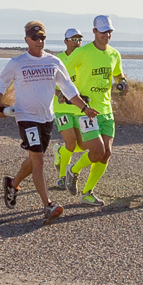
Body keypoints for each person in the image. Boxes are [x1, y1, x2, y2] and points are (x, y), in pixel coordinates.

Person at [0, 20, 96, 224]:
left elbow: (69, 89)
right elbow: (0, 83)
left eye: (43, 37)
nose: (40, 41)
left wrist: (84, 108)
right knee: (38, 160)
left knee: (33, 160)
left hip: (46, 118)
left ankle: (13, 183)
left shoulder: (54, 62)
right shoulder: (17, 62)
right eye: (35, 38)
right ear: (27, 39)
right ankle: (47, 205)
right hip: (25, 117)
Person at [61, 15, 127, 201]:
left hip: (106, 110)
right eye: (103, 31)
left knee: (106, 154)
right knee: (96, 151)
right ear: (94, 31)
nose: (107, 35)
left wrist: (123, 83)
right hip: (86, 111)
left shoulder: (114, 54)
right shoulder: (83, 52)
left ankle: (87, 193)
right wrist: (65, 92)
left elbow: (118, 76)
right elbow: (62, 72)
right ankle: (73, 171)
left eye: (109, 31)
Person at [51, 27, 86, 187]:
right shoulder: (57, 60)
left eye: (79, 39)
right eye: (73, 39)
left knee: (84, 144)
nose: (77, 43)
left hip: (80, 108)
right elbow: (50, 83)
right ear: (65, 41)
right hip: (62, 108)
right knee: (71, 143)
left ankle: (59, 151)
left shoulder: (85, 60)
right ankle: (63, 176)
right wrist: (60, 92)